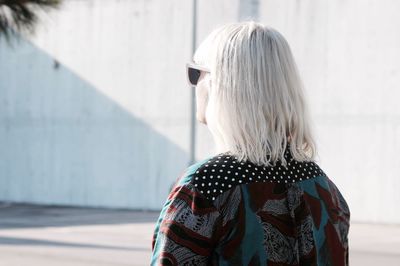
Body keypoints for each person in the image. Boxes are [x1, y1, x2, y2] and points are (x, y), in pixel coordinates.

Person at [150, 21, 350, 266]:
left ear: (222, 84)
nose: (193, 86)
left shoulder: (206, 187)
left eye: (195, 73)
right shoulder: (323, 187)